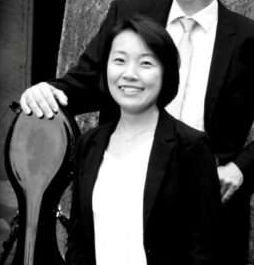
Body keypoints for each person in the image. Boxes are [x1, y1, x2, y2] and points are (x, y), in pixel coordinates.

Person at [21, 0, 254, 263]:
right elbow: (86, 83)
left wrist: (241, 169)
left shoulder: (253, 40)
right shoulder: (128, 15)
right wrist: (47, 91)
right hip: (123, 196)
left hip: (210, 206)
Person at [66, 15, 221, 265]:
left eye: (146, 63)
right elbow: (79, 241)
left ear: (166, 72)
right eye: (119, 60)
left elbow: (204, 249)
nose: (130, 74)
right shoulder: (89, 144)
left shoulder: (190, 147)